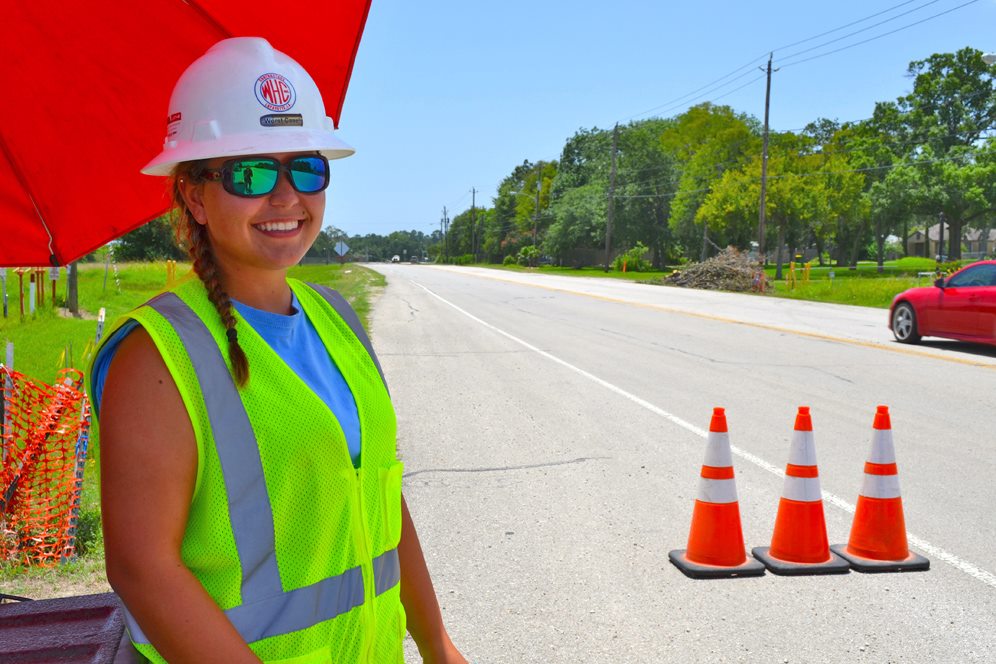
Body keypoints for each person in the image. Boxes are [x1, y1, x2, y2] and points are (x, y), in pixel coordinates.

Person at [88, 37, 466, 663]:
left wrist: (437, 644)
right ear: (193, 197)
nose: (287, 195)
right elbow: (142, 569)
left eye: (307, 168)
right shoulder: (156, 358)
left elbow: (379, 495)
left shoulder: (336, 319)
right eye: (251, 171)